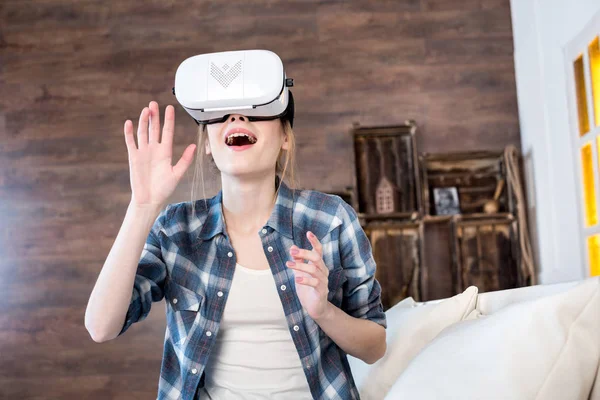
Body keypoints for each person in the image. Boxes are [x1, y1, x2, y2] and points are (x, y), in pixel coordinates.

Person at [84, 98, 387, 399]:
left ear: (285, 137)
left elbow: (375, 347)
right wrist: (142, 207)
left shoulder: (330, 218)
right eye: (223, 114)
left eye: (256, 110)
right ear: (207, 142)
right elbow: (101, 327)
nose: (237, 118)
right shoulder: (176, 228)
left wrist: (323, 312)